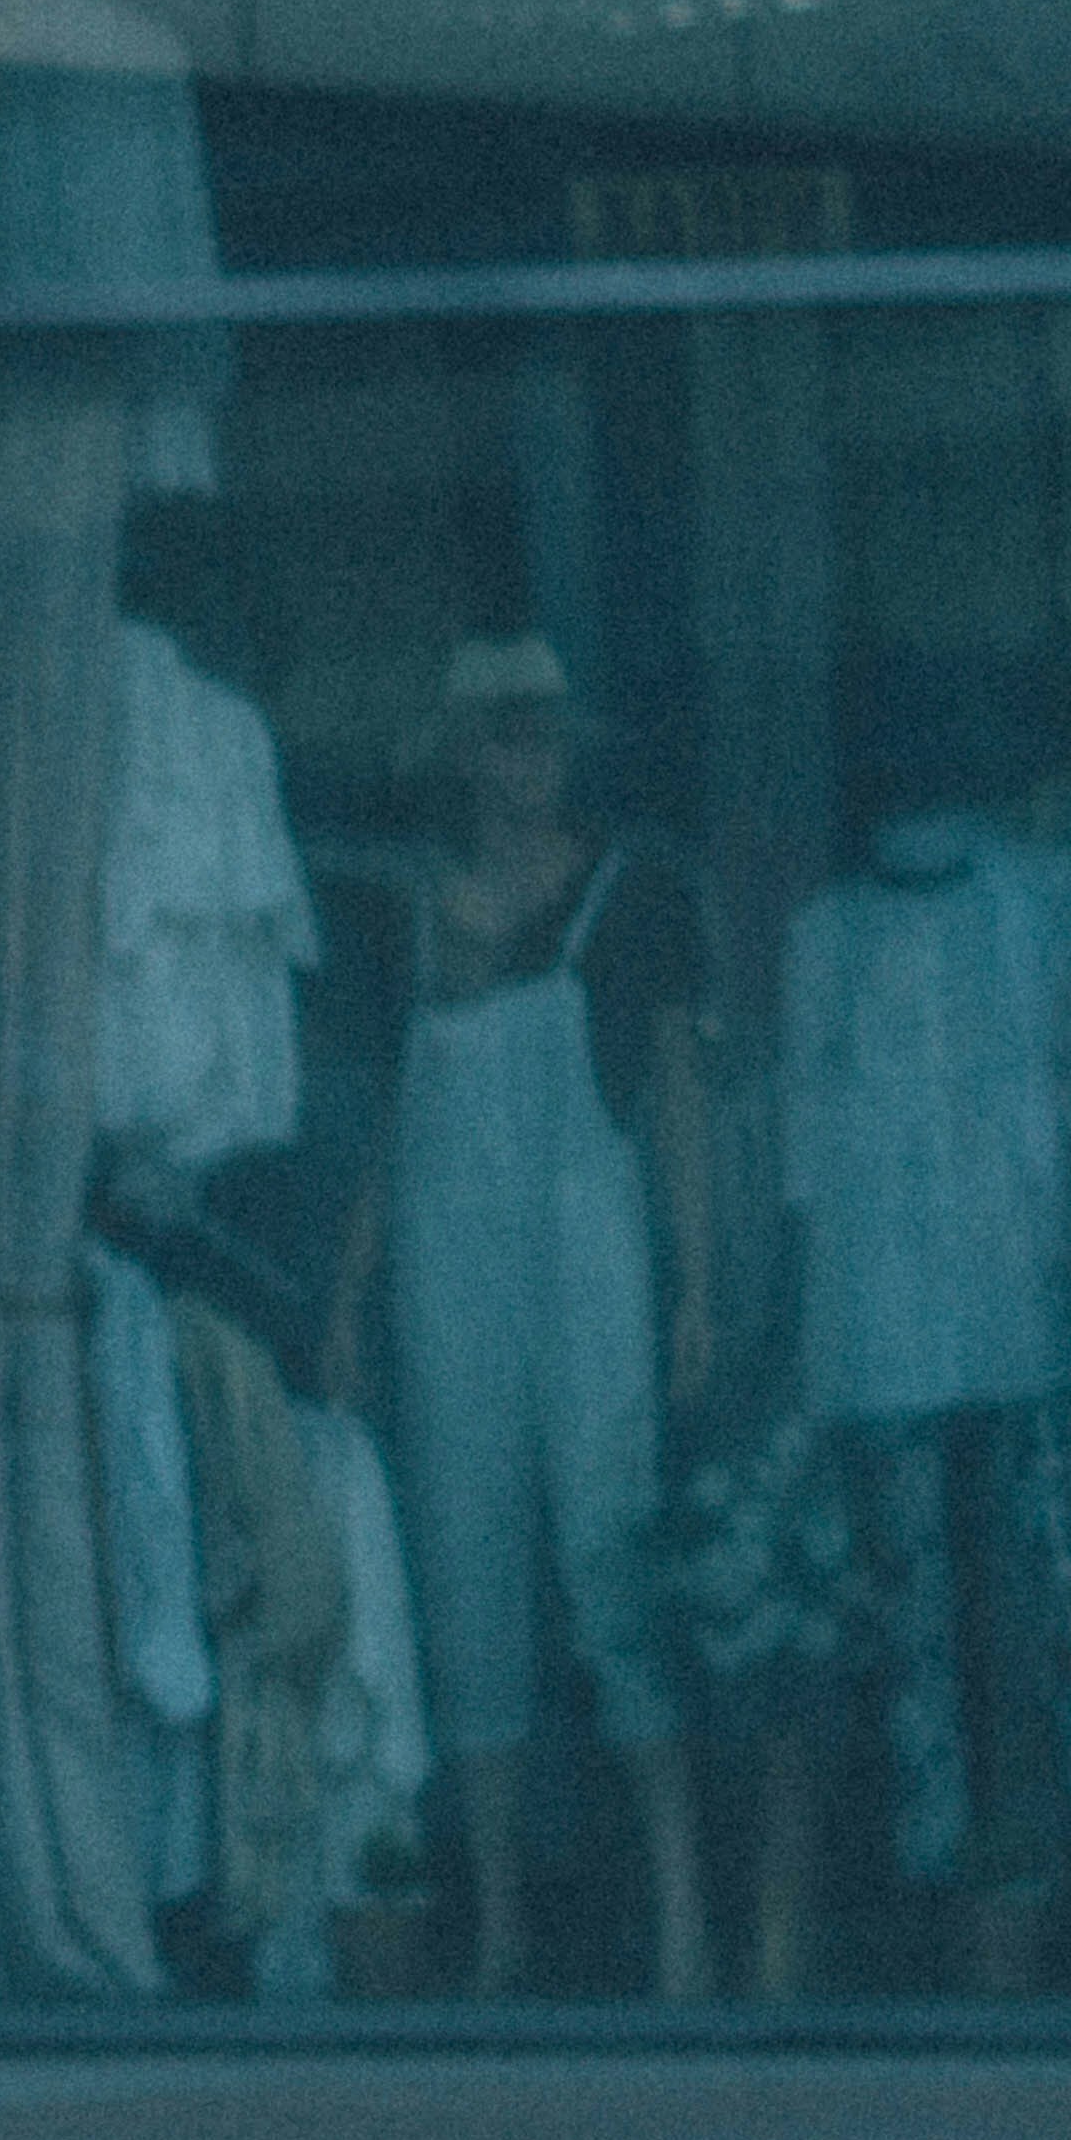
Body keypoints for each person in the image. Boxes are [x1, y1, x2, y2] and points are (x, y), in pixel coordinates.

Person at [323, 636, 719, 1999]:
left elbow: (675, 1098)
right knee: (465, 1560)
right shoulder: (410, 915)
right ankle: (493, 1920)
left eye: (542, 731)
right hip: (444, 1251)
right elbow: (386, 1120)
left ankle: (683, 1913)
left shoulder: (633, 892)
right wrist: (349, 1296)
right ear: (458, 759)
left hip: (588, 1242)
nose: (525, 756)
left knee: (611, 1548)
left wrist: (695, 1285)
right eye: (498, 733)